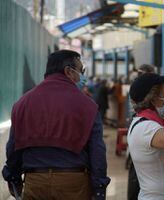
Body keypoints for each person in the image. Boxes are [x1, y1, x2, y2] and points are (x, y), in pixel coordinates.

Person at [2, 50, 110, 200]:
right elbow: (97, 151)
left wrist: (13, 177)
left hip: (35, 182)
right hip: (73, 184)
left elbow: (13, 147)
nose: (83, 76)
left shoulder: (22, 104)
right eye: (81, 71)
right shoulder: (87, 106)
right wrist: (99, 188)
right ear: (68, 71)